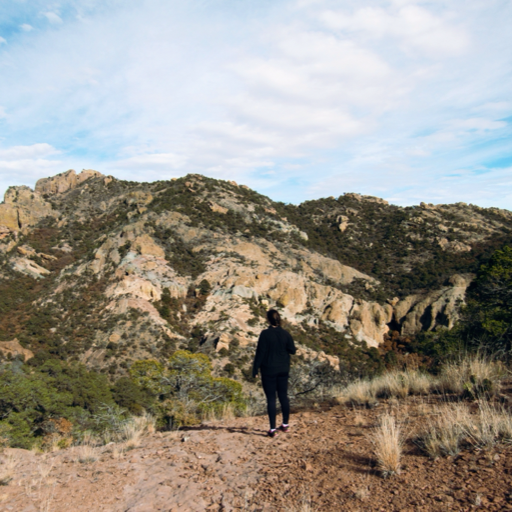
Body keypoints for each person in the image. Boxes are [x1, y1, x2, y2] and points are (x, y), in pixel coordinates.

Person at [252, 309, 296, 437]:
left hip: (269, 369)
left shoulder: (265, 334)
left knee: (271, 398)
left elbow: (260, 353)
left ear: (268, 319)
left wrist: (255, 369)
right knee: (283, 396)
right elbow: (292, 350)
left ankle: (272, 429)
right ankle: (285, 425)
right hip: (283, 369)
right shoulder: (286, 334)